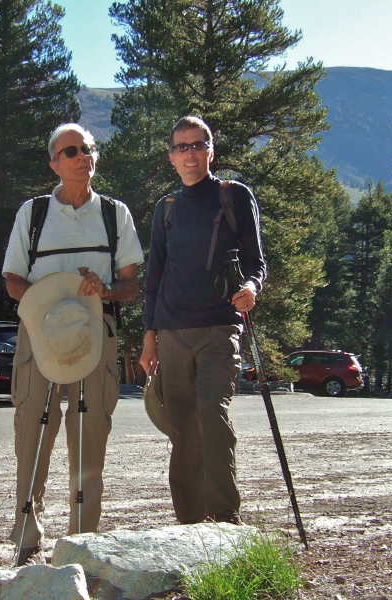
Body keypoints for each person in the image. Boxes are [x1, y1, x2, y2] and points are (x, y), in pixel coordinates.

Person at [2, 123, 144, 565]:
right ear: (54, 164)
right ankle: (27, 542)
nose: (83, 156)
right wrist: (50, 312)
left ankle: (81, 545)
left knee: (90, 440)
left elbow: (131, 286)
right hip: (38, 339)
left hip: (94, 338)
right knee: (33, 434)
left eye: (88, 148)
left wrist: (103, 293)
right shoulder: (35, 212)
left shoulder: (114, 214)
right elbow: (11, 280)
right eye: (72, 151)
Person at [138, 116, 267, 525]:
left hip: (219, 326)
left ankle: (225, 518)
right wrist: (149, 337)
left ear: (210, 151)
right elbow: (155, 274)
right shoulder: (167, 209)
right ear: (171, 157)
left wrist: (252, 287)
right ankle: (190, 525)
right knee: (182, 426)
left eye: (197, 145)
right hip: (172, 330)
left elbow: (255, 261)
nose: (189, 154)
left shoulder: (235, 197)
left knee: (212, 410)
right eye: (181, 147)